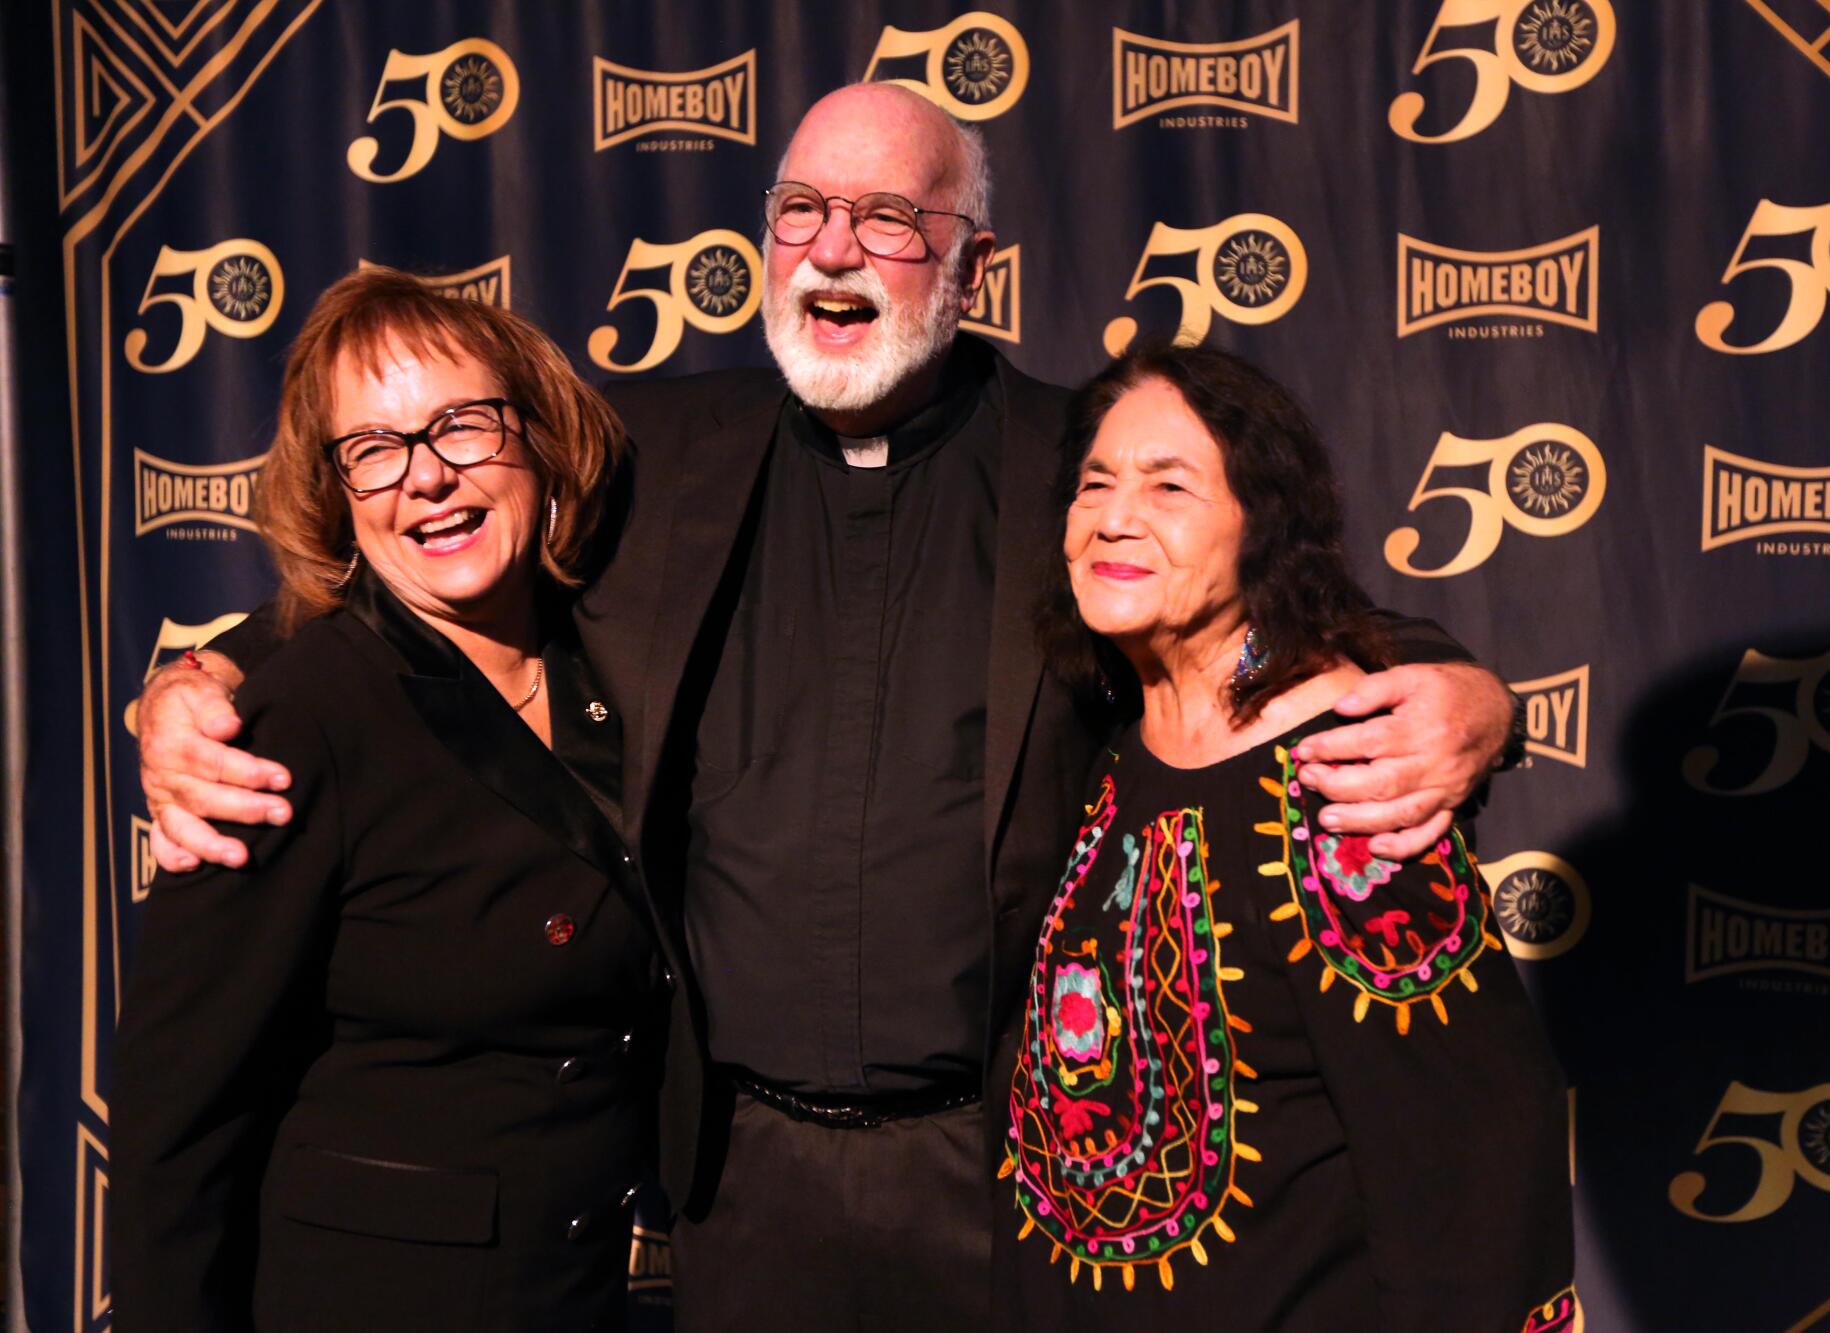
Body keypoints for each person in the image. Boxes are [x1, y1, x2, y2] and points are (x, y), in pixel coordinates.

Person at [134, 85, 1523, 1329]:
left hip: (1001, 1176)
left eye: (887, 217)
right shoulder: (654, 456)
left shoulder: (1072, 466)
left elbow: (1252, 579)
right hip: (741, 1186)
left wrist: (1462, 687)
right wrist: (203, 685)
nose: (834, 247)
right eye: (799, 210)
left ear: (973, 262)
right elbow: (420, 553)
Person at [110, 268, 669, 1333]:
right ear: (338, 493)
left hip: (575, 1298)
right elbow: (173, 1130)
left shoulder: (616, 650)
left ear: (539, 438)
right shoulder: (290, 726)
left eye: (460, 426)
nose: (425, 475)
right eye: (373, 449)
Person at [998, 342, 1574, 1330]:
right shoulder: (1115, 744)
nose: (1113, 518)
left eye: (1168, 485)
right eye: (1093, 484)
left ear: (1261, 527)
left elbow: (1470, 1159)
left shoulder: (1347, 782)